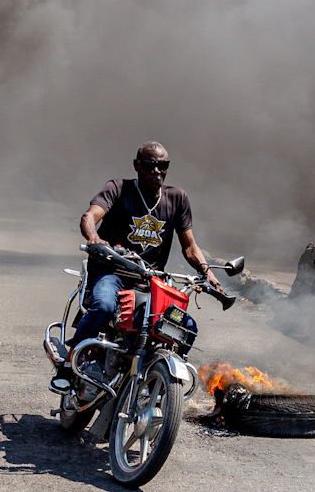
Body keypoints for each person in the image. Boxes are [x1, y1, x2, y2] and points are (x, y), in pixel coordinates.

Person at [54, 142, 220, 391]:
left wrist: (209, 274)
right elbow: (89, 216)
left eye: (162, 165)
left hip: (151, 281)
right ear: (137, 166)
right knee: (104, 306)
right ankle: (69, 364)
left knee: (186, 327)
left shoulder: (177, 198)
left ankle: (161, 382)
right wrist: (94, 238)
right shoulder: (118, 189)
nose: (156, 171)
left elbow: (190, 247)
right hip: (113, 272)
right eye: (149, 165)